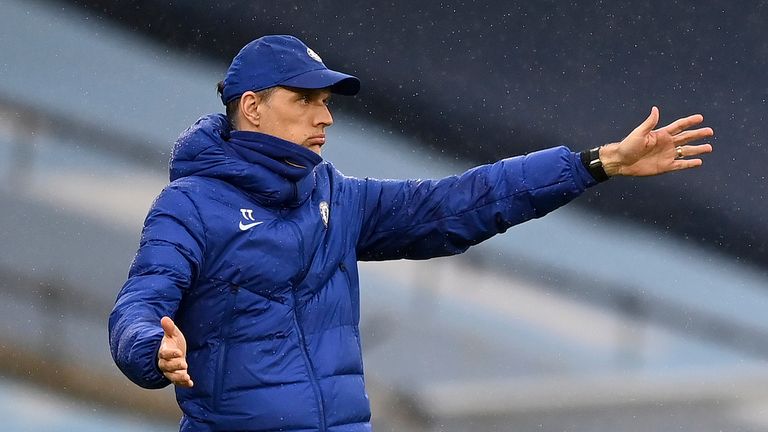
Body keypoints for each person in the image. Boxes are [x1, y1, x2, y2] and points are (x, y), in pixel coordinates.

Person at [108, 35, 713, 432]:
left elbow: (455, 205)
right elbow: (139, 304)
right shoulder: (188, 208)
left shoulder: (335, 197)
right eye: (305, 99)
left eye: (327, 101)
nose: (325, 116)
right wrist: (150, 349)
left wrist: (595, 163)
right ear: (252, 107)